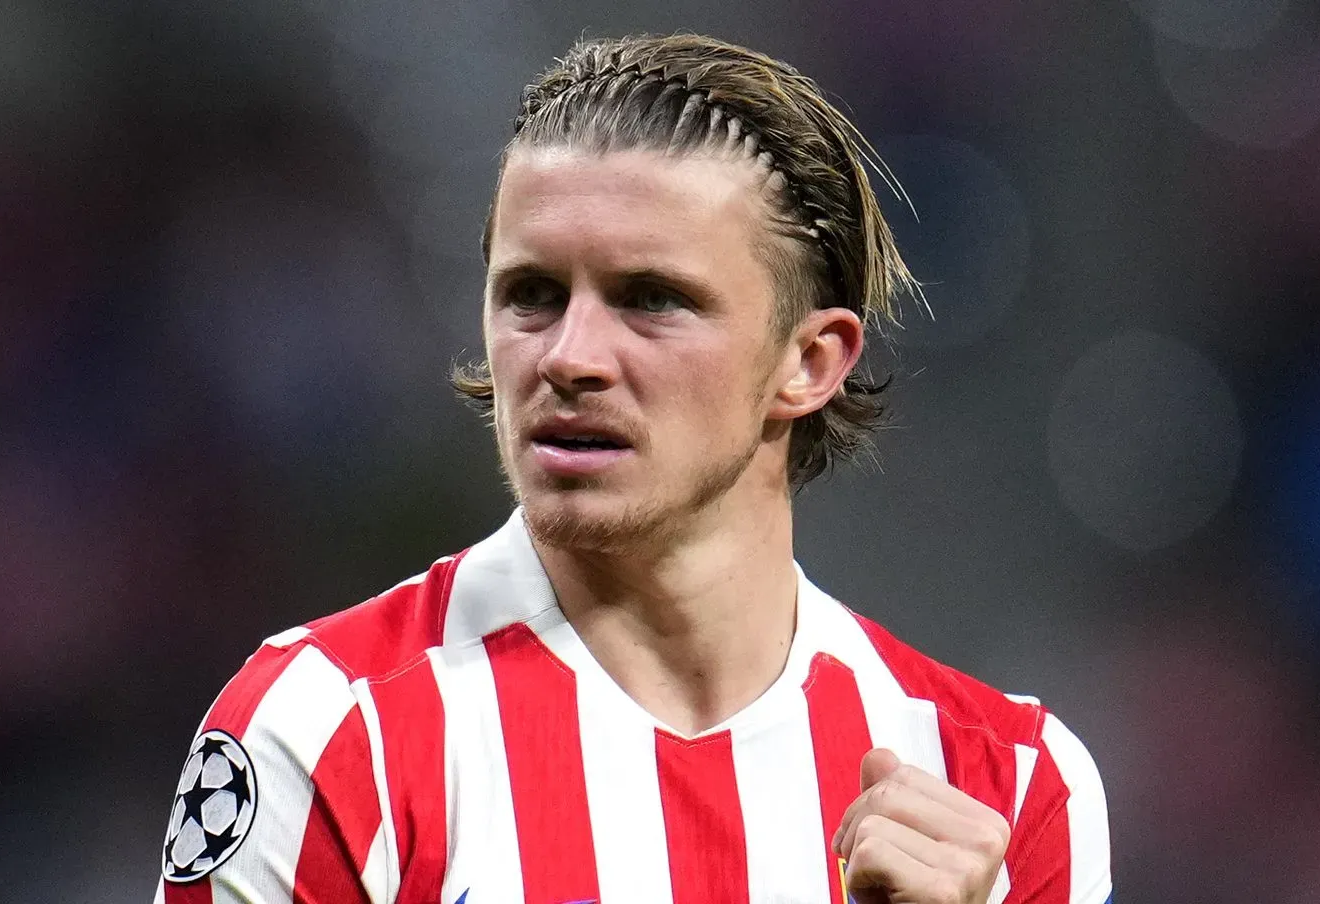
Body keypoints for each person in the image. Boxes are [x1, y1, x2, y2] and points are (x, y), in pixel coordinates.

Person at [154, 33, 1111, 904]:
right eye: (530, 294)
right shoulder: (328, 730)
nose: (568, 355)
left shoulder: (1008, 784)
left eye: (650, 299)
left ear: (808, 362)